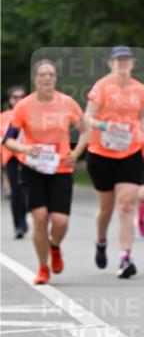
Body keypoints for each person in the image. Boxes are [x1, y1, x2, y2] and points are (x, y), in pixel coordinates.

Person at [1, 60, 88, 283]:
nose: (47, 78)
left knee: (59, 221)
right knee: (40, 218)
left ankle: (55, 246)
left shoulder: (67, 103)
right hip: (32, 167)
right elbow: (8, 140)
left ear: (56, 78)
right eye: (42, 75)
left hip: (60, 167)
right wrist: (25, 148)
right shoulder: (24, 106)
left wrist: (76, 153)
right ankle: (42, 267)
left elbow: (85, 130)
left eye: (50, 74)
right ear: (35, 79)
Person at [84, 46, 144, 278]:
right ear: (111, 64)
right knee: (106, 208)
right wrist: (104, 126)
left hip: (130, 151)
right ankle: (101, 241)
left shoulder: (140, 90)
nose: (122, 64)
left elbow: (142, 117)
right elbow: (87, 117)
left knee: (126, 204)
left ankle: (125, 256)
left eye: (126, 60)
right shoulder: (102, 87)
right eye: (118, 60)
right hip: (101, 152)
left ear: (132, 64)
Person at [1, 85, 28, 238]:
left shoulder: (30, 114)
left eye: (21, 97)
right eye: (15, 97)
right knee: (16, 191)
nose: (18, 100)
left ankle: (24, 219)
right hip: (11, 157)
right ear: (10, 100)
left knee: (25, 191)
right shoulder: (4, 117)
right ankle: (18, 224)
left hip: (27, 156)